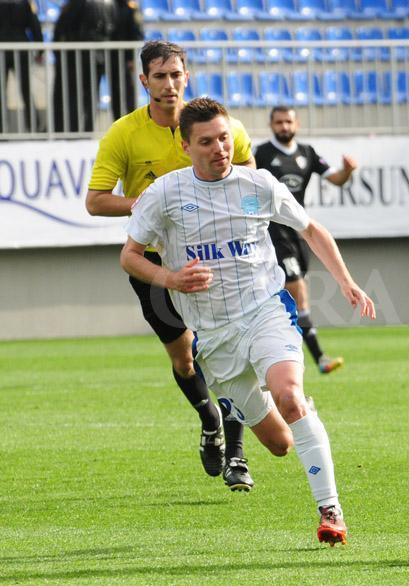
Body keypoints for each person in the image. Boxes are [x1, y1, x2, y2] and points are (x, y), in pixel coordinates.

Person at [120, 97, 375, 545]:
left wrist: (346, 281)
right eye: (206, 142)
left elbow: (311, 229)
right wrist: (171, 278)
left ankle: (330, 510)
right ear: (185, 146)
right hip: (214, 337)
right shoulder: (164, 194)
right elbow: (130, 256)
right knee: (279, 443)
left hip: (264, 311)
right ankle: (278, 400)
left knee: (291, 399)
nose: (219, 148)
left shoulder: (257, 184)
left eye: (223, 138)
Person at [86, 41, 258, 492]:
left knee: (227, 355)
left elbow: (250, 179)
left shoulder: (222, 128)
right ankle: (209, 420)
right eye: (159, 76)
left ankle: (237, 455)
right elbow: (96, 201)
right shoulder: (124, 134)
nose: (169, 84)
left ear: (187, 76)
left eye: (176, 75)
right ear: (143, 80)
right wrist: (148, 203)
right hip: (154, 264)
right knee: (185, 361)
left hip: (215, 259)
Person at [254, 106, 357, 375]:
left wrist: (347, 171)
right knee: (298, 291)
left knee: (290, 296)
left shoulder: (307, 153)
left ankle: (272, 349)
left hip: (299, 232)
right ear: (271, 125)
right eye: (279, 122)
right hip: (273, 232)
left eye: (288, 122)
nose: (284, 126)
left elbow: (336, 179)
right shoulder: (261, 153)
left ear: (296, 123)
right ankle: (318, 357)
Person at [51, 0, 117, 133]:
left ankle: (74, 131)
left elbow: (64, 28)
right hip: (98, 57)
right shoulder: (109, 3)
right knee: (92, 95)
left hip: (76, 58)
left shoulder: (76, 3)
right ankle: (87, 129)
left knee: (74, 96)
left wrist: (59, 53)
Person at [0, 0, 43, 133]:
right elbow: (35, 26)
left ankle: (2, 129)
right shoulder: (24, 3)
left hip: (1, 49)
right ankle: (34, 127)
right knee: (26, 90)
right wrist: (40, 50)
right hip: (21, 49)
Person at [108, 0, 143, 120]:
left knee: (128, 91)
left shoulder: (130, 8)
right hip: (111, 57)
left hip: (125, 58)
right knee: (115, 92)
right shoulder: (110, 6)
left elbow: (137, 34)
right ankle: (117, 121)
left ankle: (132, 120)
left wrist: (132, 58)